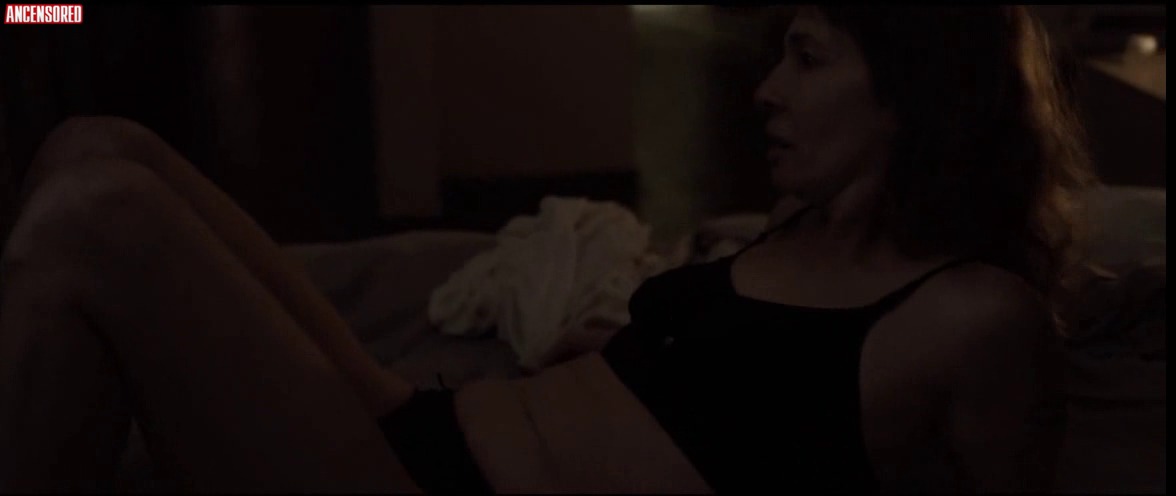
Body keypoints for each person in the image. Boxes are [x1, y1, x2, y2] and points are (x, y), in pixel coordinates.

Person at [0, 5, 1095, 493]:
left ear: (913, 91)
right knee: (99, 143)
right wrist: (633, 358)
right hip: (420, 423)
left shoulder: (971, 315)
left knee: (99, 215)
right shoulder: (803, 225)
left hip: (417, 486)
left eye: (806, 59)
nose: (765, 89)